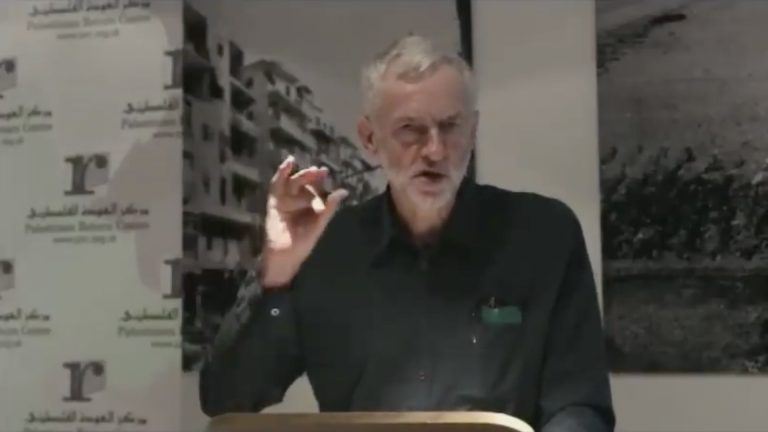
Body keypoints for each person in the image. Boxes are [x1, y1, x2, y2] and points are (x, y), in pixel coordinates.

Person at [199, 34, 615, 432]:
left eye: (450, 126)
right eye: (410, 129)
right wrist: (275, 278)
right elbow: (226, 398)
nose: (435, 150)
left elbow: (579, 406)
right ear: (369, 138)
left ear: (472, 131)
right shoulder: (324, 248)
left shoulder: (543, 236)